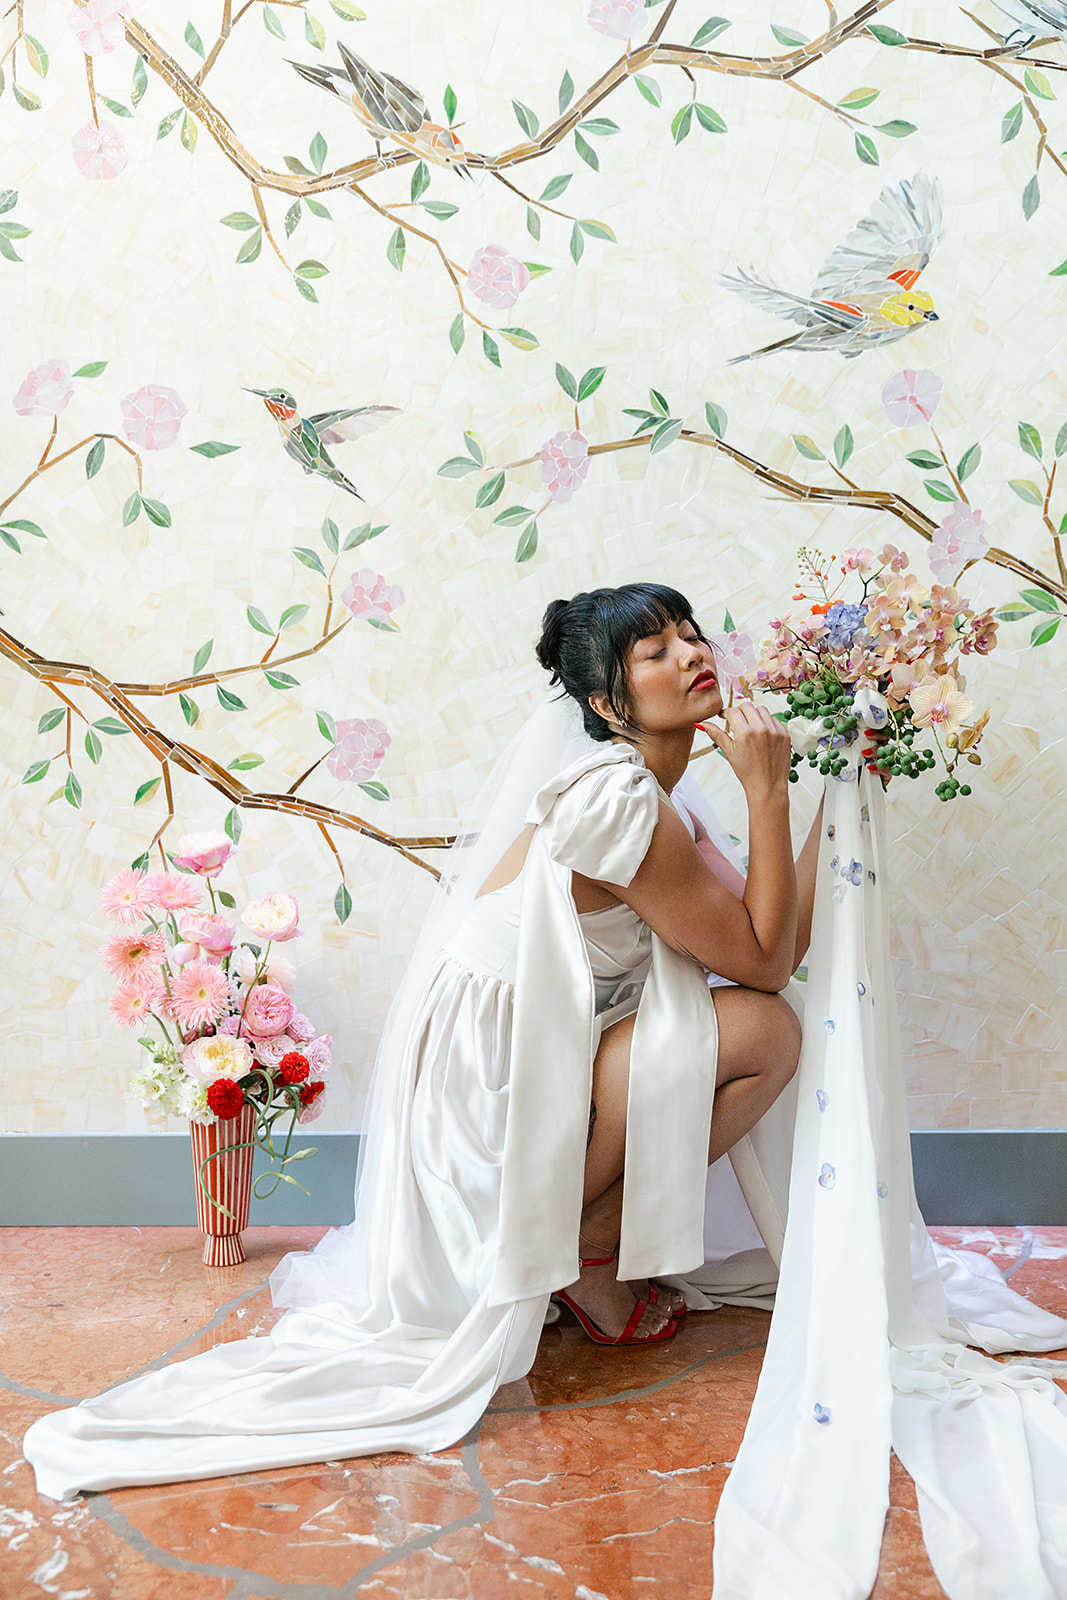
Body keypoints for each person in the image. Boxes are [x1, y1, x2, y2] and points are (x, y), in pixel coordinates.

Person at [24, 581, 813, 1502]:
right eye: (654, 651)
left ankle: (587, 1240)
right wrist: (771, 792)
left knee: (765, 1024)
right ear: (606, 703)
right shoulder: (619, 804)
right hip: (493, 1065)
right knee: (763, 1028)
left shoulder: (667, 806)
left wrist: (817, 794)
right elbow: (759, 966)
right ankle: (585, 1247)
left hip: (546, 1039)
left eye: (689, 634)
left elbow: (772, 945)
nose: (689, 653)